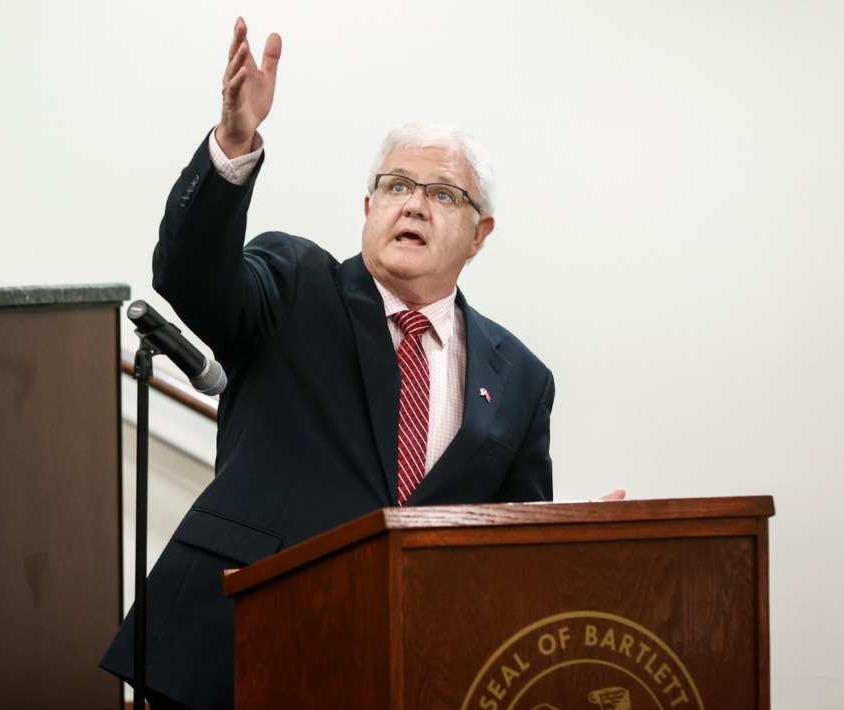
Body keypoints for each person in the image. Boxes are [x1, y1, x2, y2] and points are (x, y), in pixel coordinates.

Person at [101, 17, 586, 709]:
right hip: (236, 649)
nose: (414, 203)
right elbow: (190, 275)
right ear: (368, 206)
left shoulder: (522, 380)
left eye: (442, 193)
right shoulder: (297, 284)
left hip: (408, 670)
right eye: (396, 185)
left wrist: (582, 545)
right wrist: (234, 144)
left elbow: (507, 549)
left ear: (480, 235)